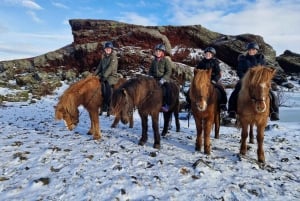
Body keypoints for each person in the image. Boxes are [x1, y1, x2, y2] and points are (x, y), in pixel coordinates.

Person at [228, 42, 279, 121]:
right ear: (248, 50)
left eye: (253, 50)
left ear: (256, 50)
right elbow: (240, 71)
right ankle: (232, 111)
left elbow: (264, 71)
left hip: (259, 82)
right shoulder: (243, 60)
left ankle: (274, 112)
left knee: (271, 94)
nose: (251, 51)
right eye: (250, 50)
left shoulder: (261, 60)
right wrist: (245, 79)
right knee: (235, 92)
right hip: (245, 81)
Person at [196, 47, 227, 111]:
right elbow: (197, 72)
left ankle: (223, 104)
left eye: (209, 54)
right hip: (202, 81)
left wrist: (214, 80)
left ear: (212, 55)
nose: (207, 55)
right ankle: (189, 102)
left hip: (212, 80)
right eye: (206, 53)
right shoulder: (201, 62)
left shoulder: (215, 63)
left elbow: (218, 73)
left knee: (221, 89)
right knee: (192, 89)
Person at [94, 41, 120, 111]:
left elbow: (111, 67)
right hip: (103, 75)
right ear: (104, 49)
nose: (108, 50)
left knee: (107, 85)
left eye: (109, 48)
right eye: (106, 48)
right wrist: (93, 75)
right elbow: (99, 68)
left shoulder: (114, 57)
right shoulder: (103, 57)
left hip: (112, 76)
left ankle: (107, 104)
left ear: (111, 49)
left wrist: (104, 76)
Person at [148, 44, 172, 112]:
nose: (158, 52)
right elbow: (150, 71)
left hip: (164, 79)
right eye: (157, 51)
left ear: (162, 52)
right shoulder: (154, 61)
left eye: (159, 51)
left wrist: (164, 79)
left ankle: (166, 104)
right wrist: (150, 76)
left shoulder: (166, 60)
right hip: (155, 79)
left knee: (167, 89)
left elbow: (168, 71)